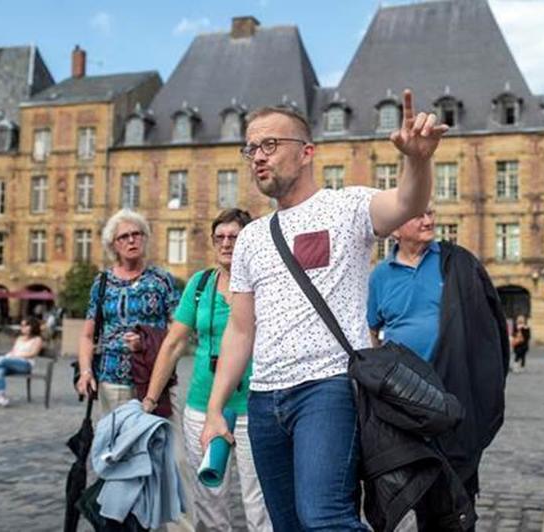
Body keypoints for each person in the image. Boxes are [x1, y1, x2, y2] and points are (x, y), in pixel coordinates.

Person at [200, 89, 447, 530]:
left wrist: (418, 160)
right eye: (251, 148)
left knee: (324, 518)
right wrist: (216, 408)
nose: (258, 156)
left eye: (270, 144)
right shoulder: (252, 237)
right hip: (264, 400)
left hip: (327, 388)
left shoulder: (346, 207)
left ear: (307, 152)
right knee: (288, 525)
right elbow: (240, 329)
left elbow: (406, 203)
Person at [366, 207, 509, 530]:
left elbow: (488, 325)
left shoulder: (456, 263)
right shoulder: (380, 276)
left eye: (430, 213)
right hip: (406, 400)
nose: (428, 221)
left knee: (457, 488)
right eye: (418, 215)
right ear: (395, 229)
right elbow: (371, 329)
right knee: (414, 485)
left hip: (453, 392)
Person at [144, 208, 271, 531]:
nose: (226, 243)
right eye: (220, 237)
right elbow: (174, 344)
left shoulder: (265, 284)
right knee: (210, 500)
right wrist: (150, 399)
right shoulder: (200, 284)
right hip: (202, 405)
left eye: (234, 237)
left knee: (260, 503)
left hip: (253, 406)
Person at [74, 209, 189, 531]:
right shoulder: (102, 283)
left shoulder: (161, 280)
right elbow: (87, 335)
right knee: (121, 462)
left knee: (171, 460)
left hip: (154, 384)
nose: (131, 240)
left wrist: (147, 342)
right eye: (124, 236)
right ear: (113, 244)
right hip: (112, 383)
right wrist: (86, 371)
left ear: (145, 238)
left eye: (137, 234)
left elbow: (180, 334)